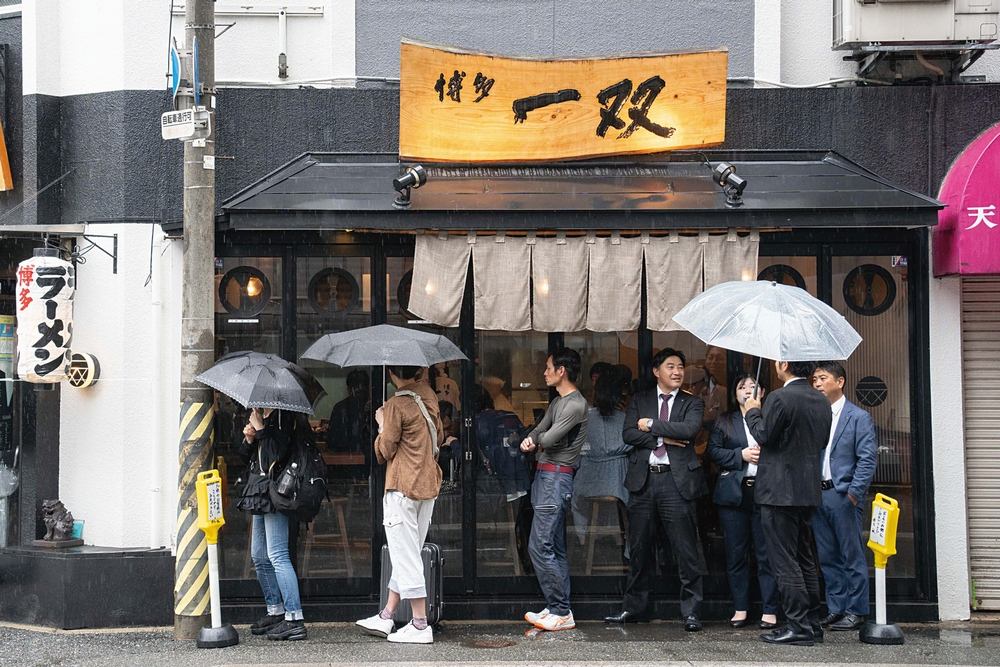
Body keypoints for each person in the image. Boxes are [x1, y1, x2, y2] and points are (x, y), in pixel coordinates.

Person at [606, 348, 708, 632]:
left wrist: (651, 426)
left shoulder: (692, 402)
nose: (677, 372)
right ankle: (634, 607)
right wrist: (661, 438)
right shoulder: (640, 400)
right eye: (670, 366)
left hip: (677, 483)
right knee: (639, 548)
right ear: (656, 371)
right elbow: (628, 434)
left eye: (680, 367)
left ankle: (691, 611)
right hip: (644, 480)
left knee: (686, 549)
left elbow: (688, 431)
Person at [744, 360, 831, 646]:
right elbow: (820, 441)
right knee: (805, 557)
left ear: (783, 364)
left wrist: (752, 411)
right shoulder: (821, 399)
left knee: (784, 560)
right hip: (807, 489)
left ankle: (798, 624)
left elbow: (765, 436)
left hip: (779, 491)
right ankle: (812, 622)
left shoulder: (779, 397)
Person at [356, 365, 444, 644]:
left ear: (393, 374)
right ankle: (387, 616)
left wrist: (382, 423)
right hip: (426, 486)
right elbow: (438, 437)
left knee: (406, 556)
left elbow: (385, 450)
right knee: (407, 551)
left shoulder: (396, 403)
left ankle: (419, 624)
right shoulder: (428, 396)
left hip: (402, 487)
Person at [519, 347, 588, 632]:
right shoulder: (558, 402)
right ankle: (559, 608)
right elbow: (540, 429)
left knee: (540, 544)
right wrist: (530, 438)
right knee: (553, 546)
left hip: (555, 479)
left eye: (549, 367)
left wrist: (534, 441)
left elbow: (550, 436)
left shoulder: (574, 404)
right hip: (547, 479)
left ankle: (560, 608)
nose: (545, 372)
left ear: (562, 370)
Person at [706, 375, 780, 630]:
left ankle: (770, 609)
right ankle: (740, 607)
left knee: (765, 553)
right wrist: (741, 455)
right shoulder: (724, 421)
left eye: (753, 386)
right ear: (734, 393)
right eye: (742, 387)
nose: (747, 390)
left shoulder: (770, 418)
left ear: (763, 391)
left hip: (766, 492)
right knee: (736, 553)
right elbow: (713, 452)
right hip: (734, 495)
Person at [811, 361, 878, 631]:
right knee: (827, 556)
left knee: (852, 555)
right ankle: (836, 608)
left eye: (822, 378)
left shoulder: (858, 417)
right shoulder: (816, 416)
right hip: (818, 494)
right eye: (814, 379)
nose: (817, 383)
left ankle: (857, 609)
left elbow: (867, 459)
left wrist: (853, 493)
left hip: (843, 495)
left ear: (840, 382)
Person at [237, 407, 308, 641]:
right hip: (258, 492)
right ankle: (275, 610)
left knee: (277, 554)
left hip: (276, 493)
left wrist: (260, 428)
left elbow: (276, 455)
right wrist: (249, 438)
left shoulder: (283, 417)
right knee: (259, 555)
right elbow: (245, 458)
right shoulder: (261, 415)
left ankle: (294, 618)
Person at [572, 366, 631, 554]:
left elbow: (575, 452)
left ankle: (583, 540)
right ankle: (628, 546)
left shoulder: (584, 419)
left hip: (587, 483)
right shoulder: (627, 419)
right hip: (620, 485)